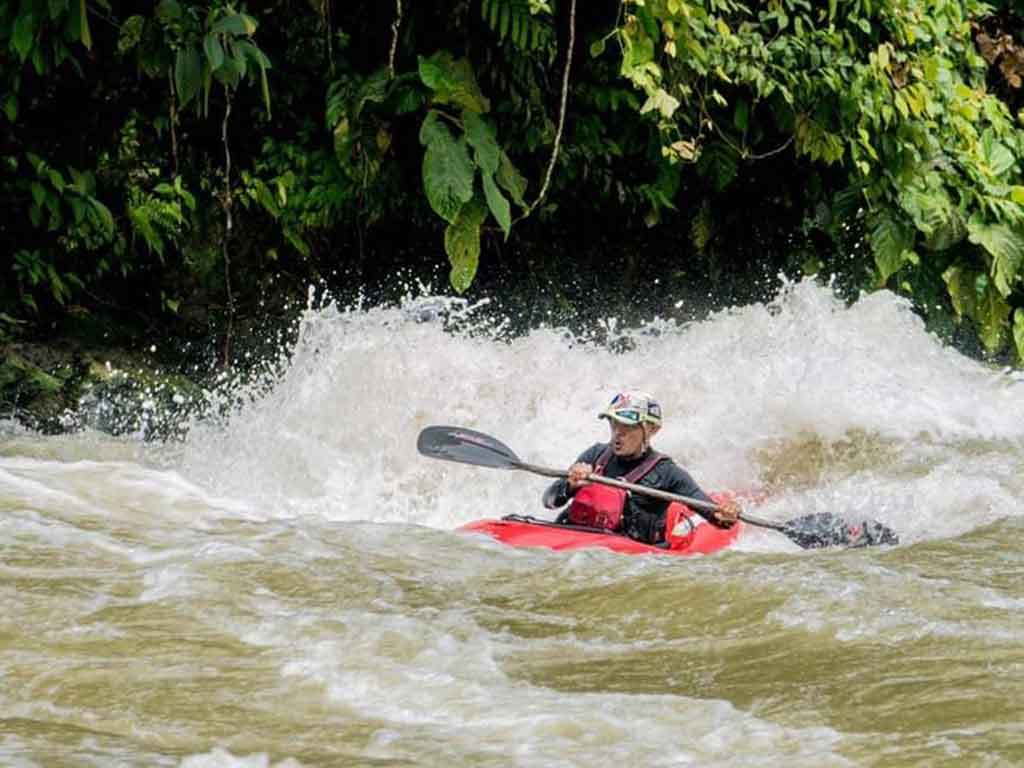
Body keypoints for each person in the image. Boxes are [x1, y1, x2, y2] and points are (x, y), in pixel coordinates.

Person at [543, 390, 740, 545]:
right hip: (578, 538)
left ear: (651, 430)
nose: (618, 434)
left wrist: (728, 514)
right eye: (614, 424)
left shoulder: (668, 474)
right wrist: (570, 485)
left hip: (633, 553)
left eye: (627, 427)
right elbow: (549, 501)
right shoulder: (595, 455)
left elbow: (717, 519)